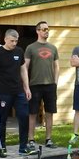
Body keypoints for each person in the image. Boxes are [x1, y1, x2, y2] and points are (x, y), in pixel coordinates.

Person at [0, 29, 32, 157]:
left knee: (24, 117)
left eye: (16, 41)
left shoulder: (19, 51)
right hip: (3, 92)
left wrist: (27, 88)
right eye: (12, 41)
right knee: (1, 120)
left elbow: (23, 70)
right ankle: (2, 147)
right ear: (5, 39)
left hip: (18, 91)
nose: (14, 43)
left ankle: (23, 147)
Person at [25, 21, 59, 151]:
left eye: (47, 29)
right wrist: (26, 85)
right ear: (37, 31)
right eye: (44, 29)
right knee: (32, 113)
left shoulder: (53, 48)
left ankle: (48, 139)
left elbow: (57, 66)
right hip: (35, 85)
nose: (46, 31)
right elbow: (25, 67)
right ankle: (31, 139)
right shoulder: (31, 48)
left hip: (50, 85)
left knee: (49, 113)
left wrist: (55, 82)